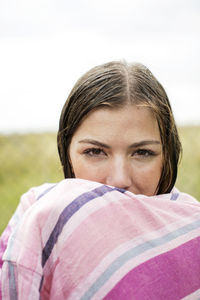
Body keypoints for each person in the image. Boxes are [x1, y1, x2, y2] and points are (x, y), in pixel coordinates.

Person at [1, 61, 200, 299]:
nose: (119, 179)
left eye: (142, 153)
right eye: (95, 152)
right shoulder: (38, 221)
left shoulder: (193, 233)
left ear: (167, 155)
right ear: (67, 152)